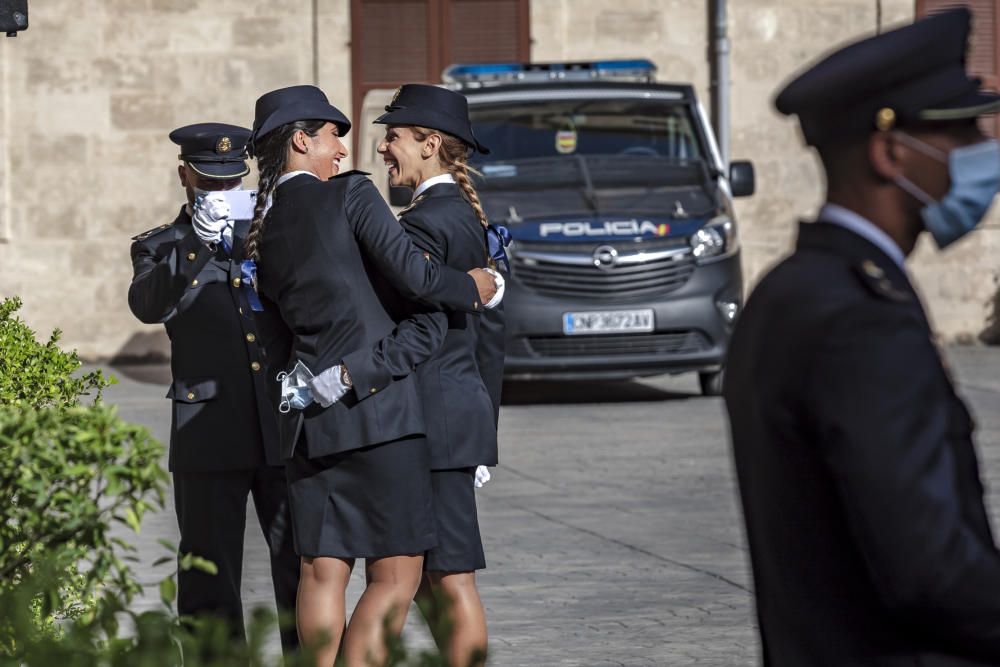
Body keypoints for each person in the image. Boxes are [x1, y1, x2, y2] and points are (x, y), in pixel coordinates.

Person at [723, 8, 1000, 666]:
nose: (981, 151)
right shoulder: (858, 317)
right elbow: (933, 574)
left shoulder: (790, 291)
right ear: (890, 151)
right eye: (959, 134)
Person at [244, 84, 500, 667]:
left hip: (312, 421)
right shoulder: (352, 195)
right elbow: (413, 277)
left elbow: (278, 335)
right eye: (335, 135)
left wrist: (313, 386)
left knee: (321, 570)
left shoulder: (262, 227)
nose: (346, 149)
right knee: (396, 576)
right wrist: (477, 287)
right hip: (384, 417)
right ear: (302, 139)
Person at [127, 123, 299, 652]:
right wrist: (197, 247)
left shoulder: (270, 233)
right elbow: (148, 305)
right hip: (209, 431)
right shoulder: (161, 247)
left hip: (281, 425)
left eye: (231, 181)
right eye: (209, 181)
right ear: (185, 175)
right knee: (208, 575)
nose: (221, 192)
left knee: (302, 566)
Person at [372, 83, 506, 667]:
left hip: (436, 418)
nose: (383, 147)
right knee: (433, 575)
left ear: (429, 144)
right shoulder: (453, 213)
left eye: (393, 136)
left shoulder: (428, 221)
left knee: (450, 575)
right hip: (453, 414)